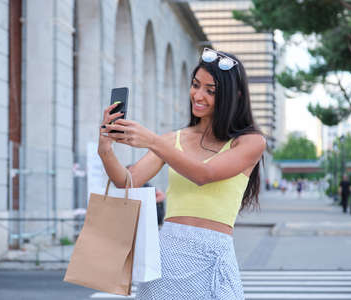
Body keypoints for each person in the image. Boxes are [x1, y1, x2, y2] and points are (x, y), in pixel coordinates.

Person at [98, 48, 266, 299]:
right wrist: (105, 149)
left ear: (235, 96)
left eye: (210, 91)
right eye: (196, 85)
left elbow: (204, 174)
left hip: (213, 257)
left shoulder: (251, 142)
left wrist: (154, 142)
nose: (198, 95)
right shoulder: (172, 140)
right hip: (165, 257)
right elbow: (127, 181)